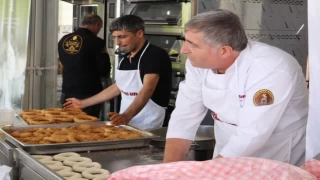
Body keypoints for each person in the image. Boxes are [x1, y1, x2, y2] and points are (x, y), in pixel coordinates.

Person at [163, 9, 308, 166]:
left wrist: (211, 173)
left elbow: (253, 133)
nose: (184, 50)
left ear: (224, 51)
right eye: (186, 40)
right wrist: (168, 170)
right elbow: (184, 117)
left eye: (193, 45)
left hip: (275, 151)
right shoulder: (198, 63)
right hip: (227, 149)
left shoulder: (271, 67)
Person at [64, 15, 172, 130]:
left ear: (139, 34)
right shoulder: (125, 59)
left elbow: (147, 89)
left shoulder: (155, 55)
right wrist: (83, 103)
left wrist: (127, 116)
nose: (117, 42)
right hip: (126, 123)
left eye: (122, 37)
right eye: (114, 37)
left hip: (151, 123)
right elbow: (118, 87)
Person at [58, 14, 111, 118]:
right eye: (100, 28)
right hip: (89, 93)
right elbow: (104, 68)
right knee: (88, 127)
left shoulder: (64, 40)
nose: (99, 30)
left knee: (68, 123)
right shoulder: (97, 42)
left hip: (67, 91)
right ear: (96, 25)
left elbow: (63, 62)